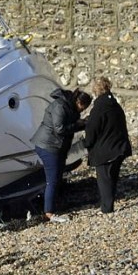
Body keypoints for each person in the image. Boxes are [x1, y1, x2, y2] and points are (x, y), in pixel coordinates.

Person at [32, 87, 92, 223]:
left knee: (56, 178)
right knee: (52, 180)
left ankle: (49, 207)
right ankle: (49, 213)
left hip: (56, 147)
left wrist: (81, 123)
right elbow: (60, 129)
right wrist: (81, 124)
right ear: (77, 101)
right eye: (82, 106)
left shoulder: (69, 106)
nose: (82, 110)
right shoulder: (60, 106)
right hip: (48, 146)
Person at [83, 76, 132, 214]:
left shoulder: (99, 107)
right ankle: (108, 206)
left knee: (104, 180)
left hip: (105, 150)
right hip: (119, 147)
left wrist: (87, 143)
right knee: (112, 178)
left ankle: (106, 209)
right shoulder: (115, 105)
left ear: (95, 91)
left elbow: (92, 129)